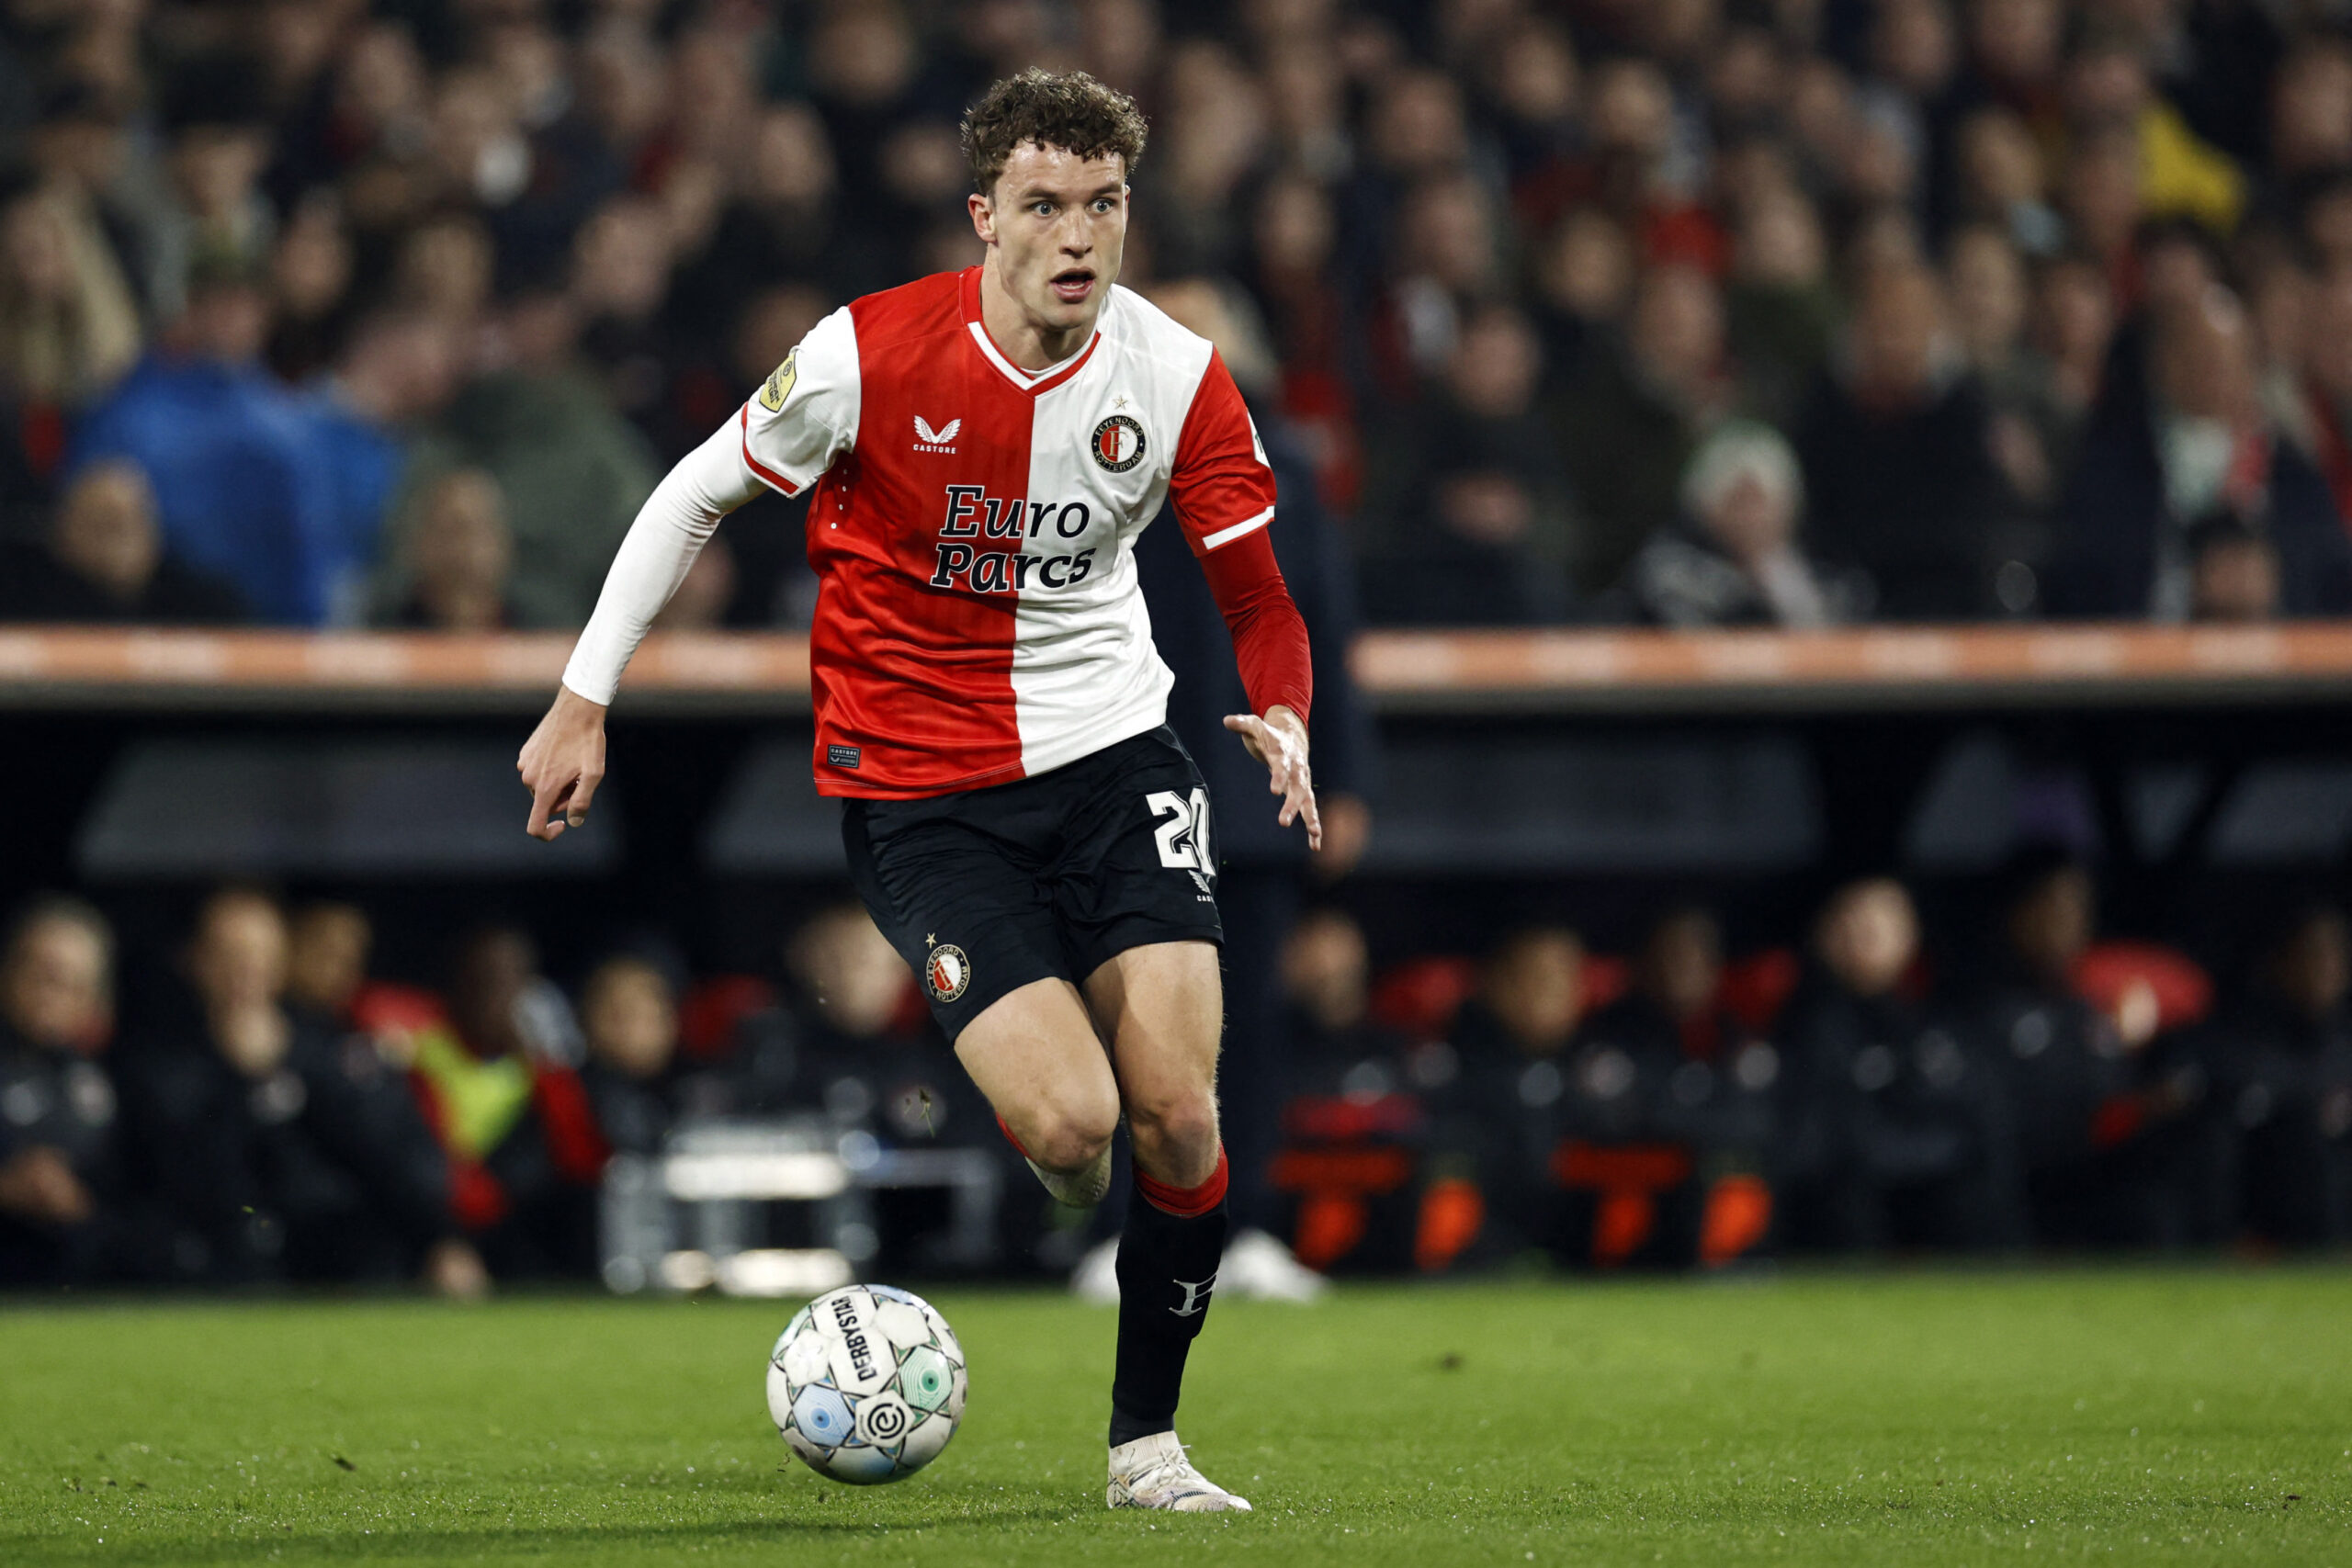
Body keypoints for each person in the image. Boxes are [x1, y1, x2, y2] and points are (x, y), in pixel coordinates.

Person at [518, 70, 1317, 1514]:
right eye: (1045, 206)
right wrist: (587, 695)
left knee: (1182, 1119)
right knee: (1078, 1133)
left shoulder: (1180, 374)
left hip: (1114, 756)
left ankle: (1149, 1448)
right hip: (922, 793)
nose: (1079, 236)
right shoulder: (864, 358)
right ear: (985, 218)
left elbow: (1259, 595)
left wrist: (1287, 715)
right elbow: (691, 493)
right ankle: (1057, 1164)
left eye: (1105, 205)